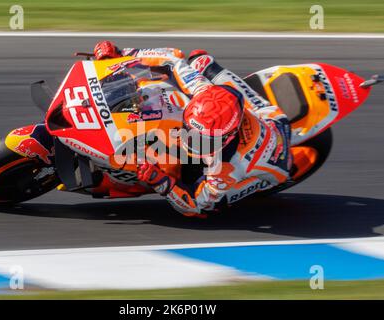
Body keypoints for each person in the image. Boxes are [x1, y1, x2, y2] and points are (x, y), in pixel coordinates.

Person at [93, 41, 292, 218]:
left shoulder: (227, 168)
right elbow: (172, 58)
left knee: (211, 205)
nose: (191, 140)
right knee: (200, 60)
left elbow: (195, 206)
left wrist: (161, 181)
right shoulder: (203, 90)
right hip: (254, 114)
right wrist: (123, 54)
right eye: (190, 129)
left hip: (273, 152)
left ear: (226, 138)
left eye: (203, 139)